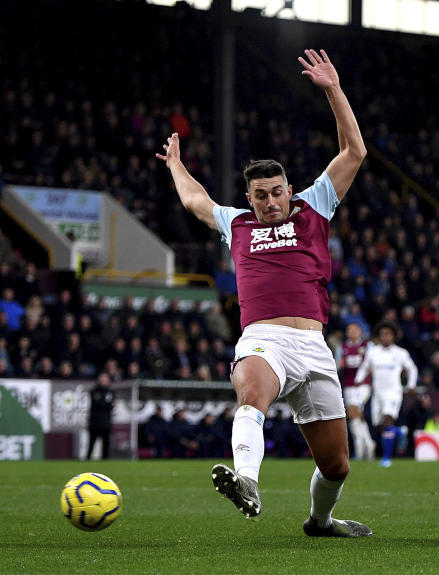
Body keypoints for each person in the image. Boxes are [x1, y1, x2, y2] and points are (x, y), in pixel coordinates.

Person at [156, 48, 370, 538]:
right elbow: (195, 200)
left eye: (276, 192)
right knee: (251, 392)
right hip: (264, 339)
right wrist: (175, 164)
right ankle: (247, 482)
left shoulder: (315, 205)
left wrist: (333, 90)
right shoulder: (237, 224)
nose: (270, 202)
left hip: (314, 346)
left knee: (337, 465)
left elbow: (354, 152)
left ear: (288, 188)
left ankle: (320, 521)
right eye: (260, 195)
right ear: (248, 196)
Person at [354, 320, 418, 467]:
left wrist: (411, 385)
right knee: (379, 426)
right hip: (377, 393)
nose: (385, 337)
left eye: (388, 335)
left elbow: (412, 369)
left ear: (393, 336)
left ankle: (386, 459)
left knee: (388, 419)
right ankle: (400, 432)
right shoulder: (373, 352)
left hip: (393, 392)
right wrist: (359, 379)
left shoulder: (400, 353)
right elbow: (364, 367)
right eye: (383, 335)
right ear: (379, 336)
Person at [338, 322, 376, 460]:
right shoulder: (343, 347)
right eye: (349, 330)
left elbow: (373, 363)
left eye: (354, 330)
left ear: (360, 332)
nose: (352, 332)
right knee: (355, 416)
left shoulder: (367, 346)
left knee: (353, 410)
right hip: (349, 385)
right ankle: (367, 443)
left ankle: (362, 445)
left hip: (363, 385)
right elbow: (338, 364)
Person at [86, 372, 115, 460]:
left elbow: (110, 404)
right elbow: (99, 404)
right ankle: (87, 460)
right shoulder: (94, 391)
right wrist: (107, 404)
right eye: (102, 378)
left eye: (105, 378)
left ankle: (105, 461)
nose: (103, 380)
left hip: (106, 422)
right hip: (95, 422)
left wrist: (106, 404)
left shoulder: (110, 392)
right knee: (91, 443)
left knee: (106, 444)